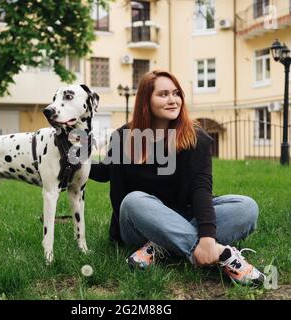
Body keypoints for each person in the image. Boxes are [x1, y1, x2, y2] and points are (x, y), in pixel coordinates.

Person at [89, 70, 264, 285]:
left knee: (247, 207)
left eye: (176, 93)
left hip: (184, 215)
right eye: (163, 94)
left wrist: (208, 235)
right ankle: (221, 255)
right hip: (138, 226)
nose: (173, 100)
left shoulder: (195, 138)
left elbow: (201, 189)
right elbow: (105, 172)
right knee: (134, 200)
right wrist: (73, 161)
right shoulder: (124, 137)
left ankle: (162, 247)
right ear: (146, 100)